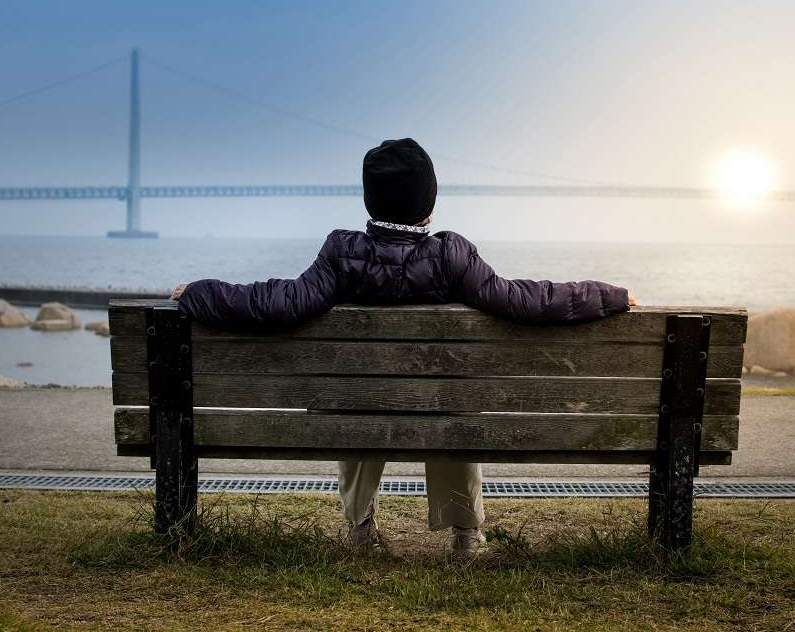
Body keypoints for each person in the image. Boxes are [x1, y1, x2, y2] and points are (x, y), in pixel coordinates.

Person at [171, 138, 634, 555]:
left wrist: (199, 292)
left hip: (361, 407)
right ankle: (466, 534)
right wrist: (610, 296)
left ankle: (359, 529)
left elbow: (277, 302)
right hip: (439, 407)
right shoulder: (451, 254)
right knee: (452, 407)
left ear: (370, 199)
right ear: (428, 202)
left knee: (354, 402)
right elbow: (524, 300)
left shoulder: (342, 252)